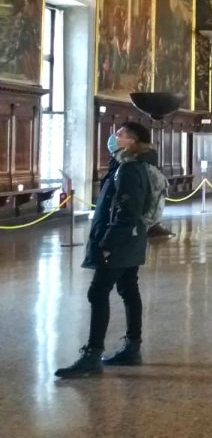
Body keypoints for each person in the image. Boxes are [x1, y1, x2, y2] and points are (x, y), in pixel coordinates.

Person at [56, 122, 155, 377]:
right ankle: (132, 347)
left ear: (131, 142)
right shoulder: (127, 165)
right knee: (128, 288)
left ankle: (92, 354)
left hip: (119, 242)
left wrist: (108, 244)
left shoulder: (130, 169)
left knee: (97, 293)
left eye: (120, 134)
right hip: (130, 240)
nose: (114, 137)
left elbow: (127, 211)